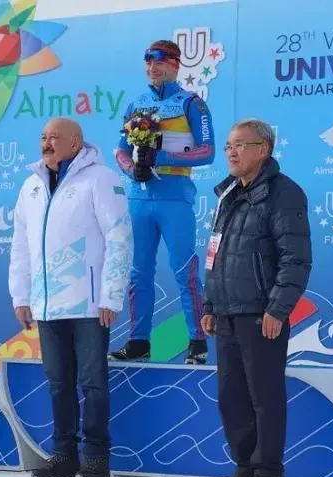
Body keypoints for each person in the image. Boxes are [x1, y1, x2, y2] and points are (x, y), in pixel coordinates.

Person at [9, 118, 132, 477]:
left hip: (90, 304)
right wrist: (21, 295)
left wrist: (110, 294)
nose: (47, 143)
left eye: (55, 137)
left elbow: (120, 238)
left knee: (93, 382)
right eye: (43, 136)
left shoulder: (101, 178)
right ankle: (64, 454)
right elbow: (20, 246)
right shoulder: (31, 186)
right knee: (58, 383)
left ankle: (96, 456)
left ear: (76, 142)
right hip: (47, 306)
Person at [201, 119, 312, 477]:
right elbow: (215, 254)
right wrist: (210, 304)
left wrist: (277, 309)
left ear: (262, 149)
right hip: (228, 313)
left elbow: (295, 259)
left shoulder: (284, 194)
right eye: (228, 146)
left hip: (261, 315)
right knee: (231, 397)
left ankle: (269, 471)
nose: (231, 152)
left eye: (239, 145)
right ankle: (245, 468)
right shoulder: (227, 195)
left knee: (264, 395)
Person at [109, 40, 216, 364]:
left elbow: (207, 151)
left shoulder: (192, 104)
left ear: (174, 65)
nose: (152, 68)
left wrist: (162, 156)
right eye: (147, 62)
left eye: (159, 62)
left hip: (174, 196)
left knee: (185, 271)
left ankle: (196, 341)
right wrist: (133, 168)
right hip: (139, 197)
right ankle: (138, 341)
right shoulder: (136, 105)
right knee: (138, 273)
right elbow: (120, 150)